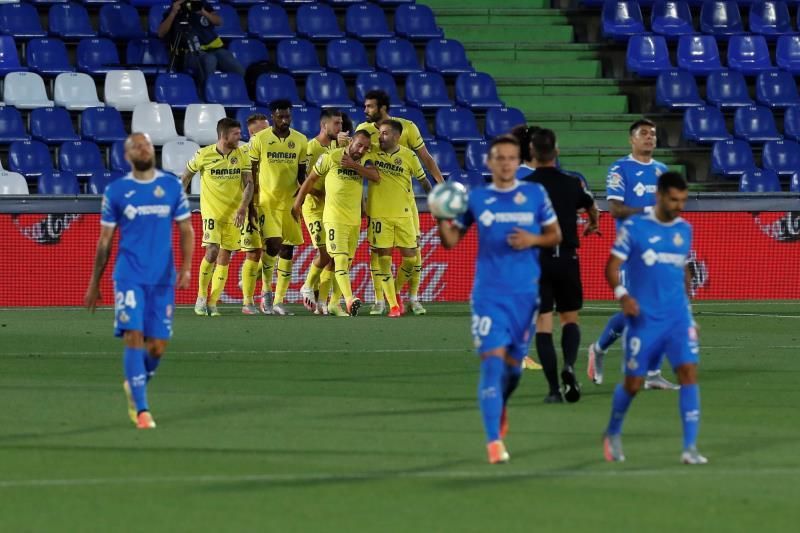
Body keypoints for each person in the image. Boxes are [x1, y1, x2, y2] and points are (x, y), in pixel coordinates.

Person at [436, 135, 562, 464]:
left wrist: (532, 238)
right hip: (489, 295)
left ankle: (500, 404)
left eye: (511, 158)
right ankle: (494, 441)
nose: (505, 163)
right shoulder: (478, 198)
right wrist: (439, 216)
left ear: (518, 162)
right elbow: (450, 241)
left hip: (525, 295)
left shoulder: (534, 194)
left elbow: (555, 235)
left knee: (513, 371)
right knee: (492, 363)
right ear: (490, 163)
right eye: (499, 158)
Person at [84, 132, 194, 429]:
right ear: (127, 156)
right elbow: (104, 241)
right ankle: (142, 410)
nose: (143, 149)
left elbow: (186, 230)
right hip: (129, 276)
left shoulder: (171, 185)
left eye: (145, 144)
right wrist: (95, 282)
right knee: (134, 335)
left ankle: (135, 383)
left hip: (162, 278)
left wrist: (186, 268)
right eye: (136, 146)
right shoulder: (117, 191)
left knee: (157, 345)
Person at [602, 171, 706, 465]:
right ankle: (612, 431)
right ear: (659, 196)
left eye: (683, 200)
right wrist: (623, 296)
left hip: (677, 319)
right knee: (633, 384)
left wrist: (689, 308)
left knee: (688, 373)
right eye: (674, 199)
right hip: (644, 319)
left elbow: (683, 268)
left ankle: (690, 448)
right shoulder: (634, 228)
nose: (679, 206)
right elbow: (611, 267)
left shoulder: (684, 229)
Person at [587, 119, 678, 390]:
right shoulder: (620, 169)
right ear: (632, 140)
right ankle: (599, 349)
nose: (650, 138)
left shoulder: (663, 171)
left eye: (653, 134)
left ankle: (652, 374)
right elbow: (614, 209)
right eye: (643, 134)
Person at [522, 128, 599, 404]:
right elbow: (592, 206)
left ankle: (554, 389)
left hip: (537, 261)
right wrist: (593, 224)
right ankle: (569, 365)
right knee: (569, 318)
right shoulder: (571, 184)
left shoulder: (527, 187)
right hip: (567, 258)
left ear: (532, 153)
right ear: (556, 151)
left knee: (543, 324)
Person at [357, 90, 445, 316]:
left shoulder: (407, 127)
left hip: (406, 204)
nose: (365, 111)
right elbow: (355, 160)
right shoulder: (363, 130)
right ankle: (380, 301)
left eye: (370, 107)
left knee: (415, 254)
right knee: (377, 254)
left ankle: (410, 298)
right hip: (378, 203)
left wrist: (441, 185)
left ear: (382, 107)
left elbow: (425, 158)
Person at [292, 130, 379, 316]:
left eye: (365, 147)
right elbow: (310, 180)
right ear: (351, 142)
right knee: (338, 258)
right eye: (359, 145)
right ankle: (349, 299)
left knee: (344, 263)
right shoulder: (330, 157)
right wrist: (298, 203)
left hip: (354, 220)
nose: (362, 150)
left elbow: (375, 176)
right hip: (334, 218)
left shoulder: (363, 161)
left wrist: (354, 165)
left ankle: (331, 303)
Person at [182, 117, 254, 316]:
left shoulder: (242, 155)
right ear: (224, 136)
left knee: (225, 256)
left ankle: (213, 303)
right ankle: (201, 297)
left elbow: (249, 183)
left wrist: (242, 208)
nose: (240, 137)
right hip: (212, 212)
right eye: (236, 134)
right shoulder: (203, 154)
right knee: (212, 252)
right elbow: (186, 176)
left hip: (234, 215)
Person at [368, 119, 433, 318]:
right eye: (380, 133)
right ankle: (393, 305)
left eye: (385, 133)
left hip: (404, 214)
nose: (381, 137)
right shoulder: (371, 150)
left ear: (397, 136)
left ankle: (395, 290)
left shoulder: (408, 156)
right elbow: (351, 148)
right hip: (379, 215)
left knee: (411, 259)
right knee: (383, 259)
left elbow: (423, 181)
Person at [249, 100, 308, 316]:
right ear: (272, 117)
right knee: (273, 244)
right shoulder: (260, 140)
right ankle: (266, 292)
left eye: (287, 117)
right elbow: (251, 173)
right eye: (280, 116)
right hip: (267, 203)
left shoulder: (301, 140)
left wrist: (302, 200)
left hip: (290, 204)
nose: (284, 120)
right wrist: (250, 202)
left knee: (288, 249)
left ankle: (279, 302)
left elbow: (303, 176)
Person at [297, 108, 348, 316]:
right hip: (314, 209)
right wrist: (320, 194)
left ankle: (321, 303)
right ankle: (308, 285)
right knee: (325, 252)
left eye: (341, 124)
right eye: (336, 123)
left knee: (334, 257)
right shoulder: (310, 148)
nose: (340, 127)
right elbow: (303, 179)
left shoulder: (340, 146)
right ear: (324, 125)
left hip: (333, 210)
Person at [158, 0, 244, 89]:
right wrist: (173, 13)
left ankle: (241, 93)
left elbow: (218, 21)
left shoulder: (202, 4)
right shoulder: (175, 8)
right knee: (209, 60)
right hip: (190, 53)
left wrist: (203, 12)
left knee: (233, 64)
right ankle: (208, 94)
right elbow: (160, 33)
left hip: (214, 49)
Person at [238, 113, 269, 314]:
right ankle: (247, 303)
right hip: (251, 206)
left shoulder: (271, 149)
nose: (269, 133)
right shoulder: (243, 152)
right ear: (252, 133)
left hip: (271, 207)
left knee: (273, 251)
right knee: (253, 252)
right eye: (264, 130)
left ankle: (250, 283)